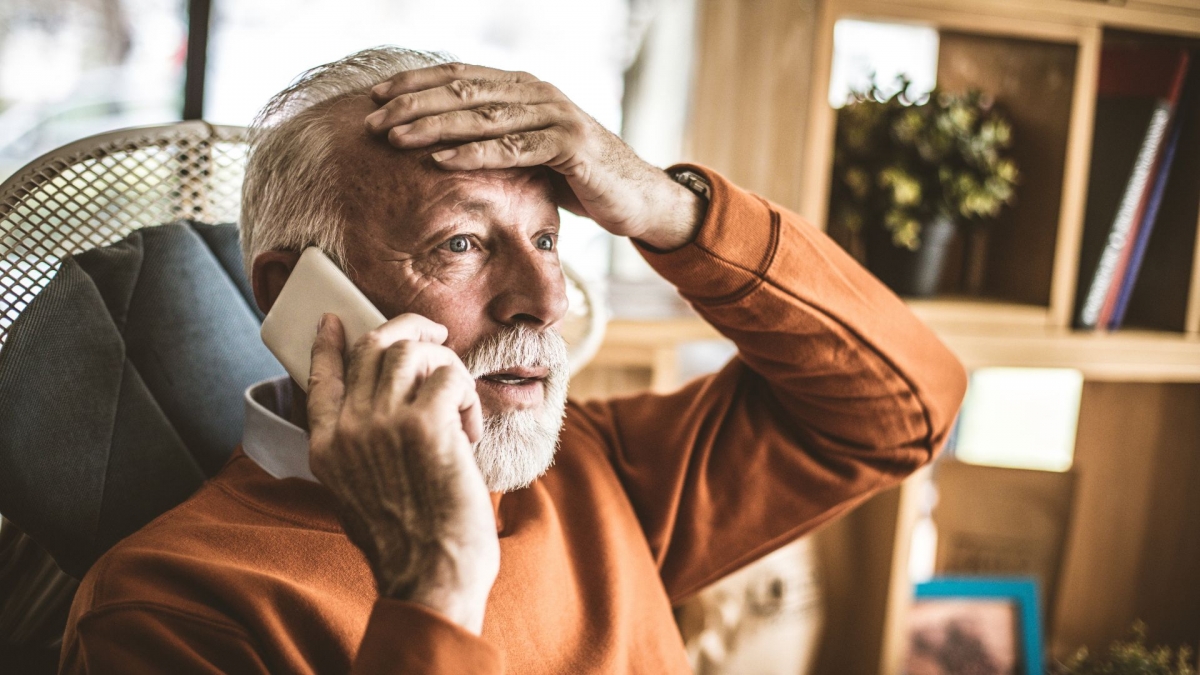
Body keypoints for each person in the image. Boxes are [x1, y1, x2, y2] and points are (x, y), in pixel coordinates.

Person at [59, 47, 967, 674]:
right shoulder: (167, 605)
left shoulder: (596, 471)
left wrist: (667, 208)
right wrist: (432, 583)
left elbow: (906, 404)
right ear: (294, 293)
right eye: (460, 244)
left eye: (546, 237)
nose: (548, 298)